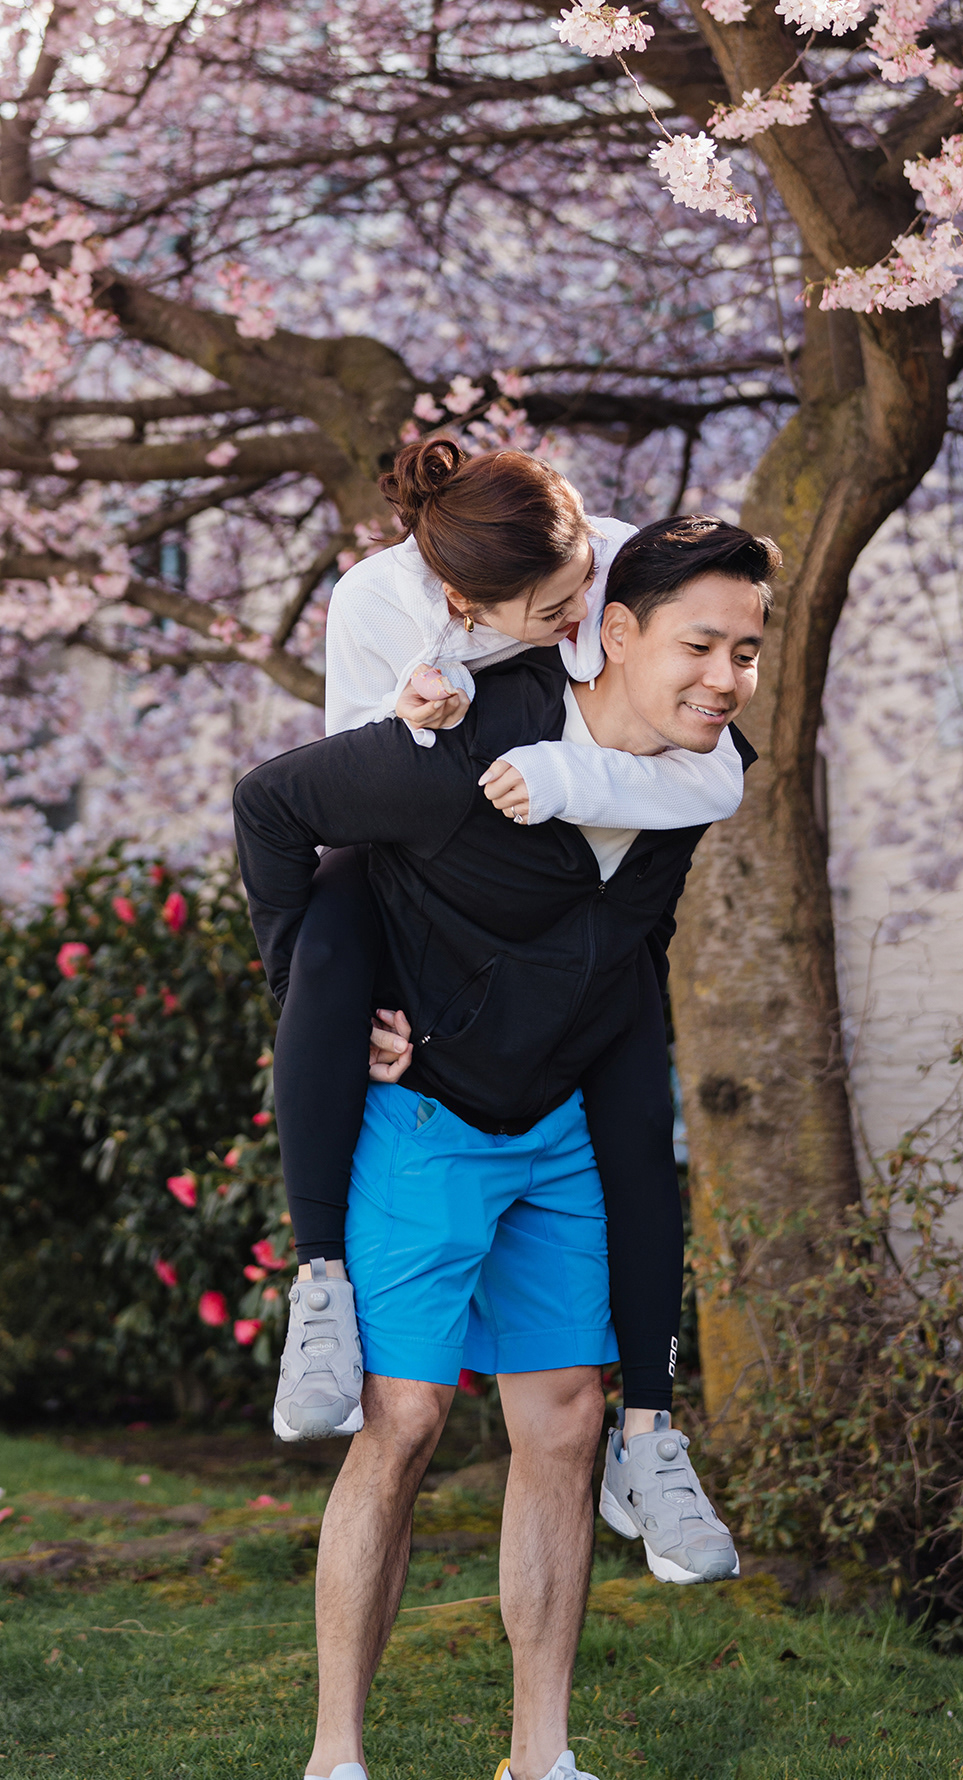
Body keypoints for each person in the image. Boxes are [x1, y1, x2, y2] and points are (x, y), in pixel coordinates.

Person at [234, 517, 775, 1780]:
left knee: (568, 1422)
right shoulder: (458, 742)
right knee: (405, 1418)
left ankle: (542, 1757)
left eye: (748, 652)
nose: (726, 679)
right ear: (614, 632)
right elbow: (279, 812)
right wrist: (317, 1000)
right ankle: (336, 1758)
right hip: (426, 1118)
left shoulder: (702, 773)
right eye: (701, 646)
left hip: (565, 1127)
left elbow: (624, 933)